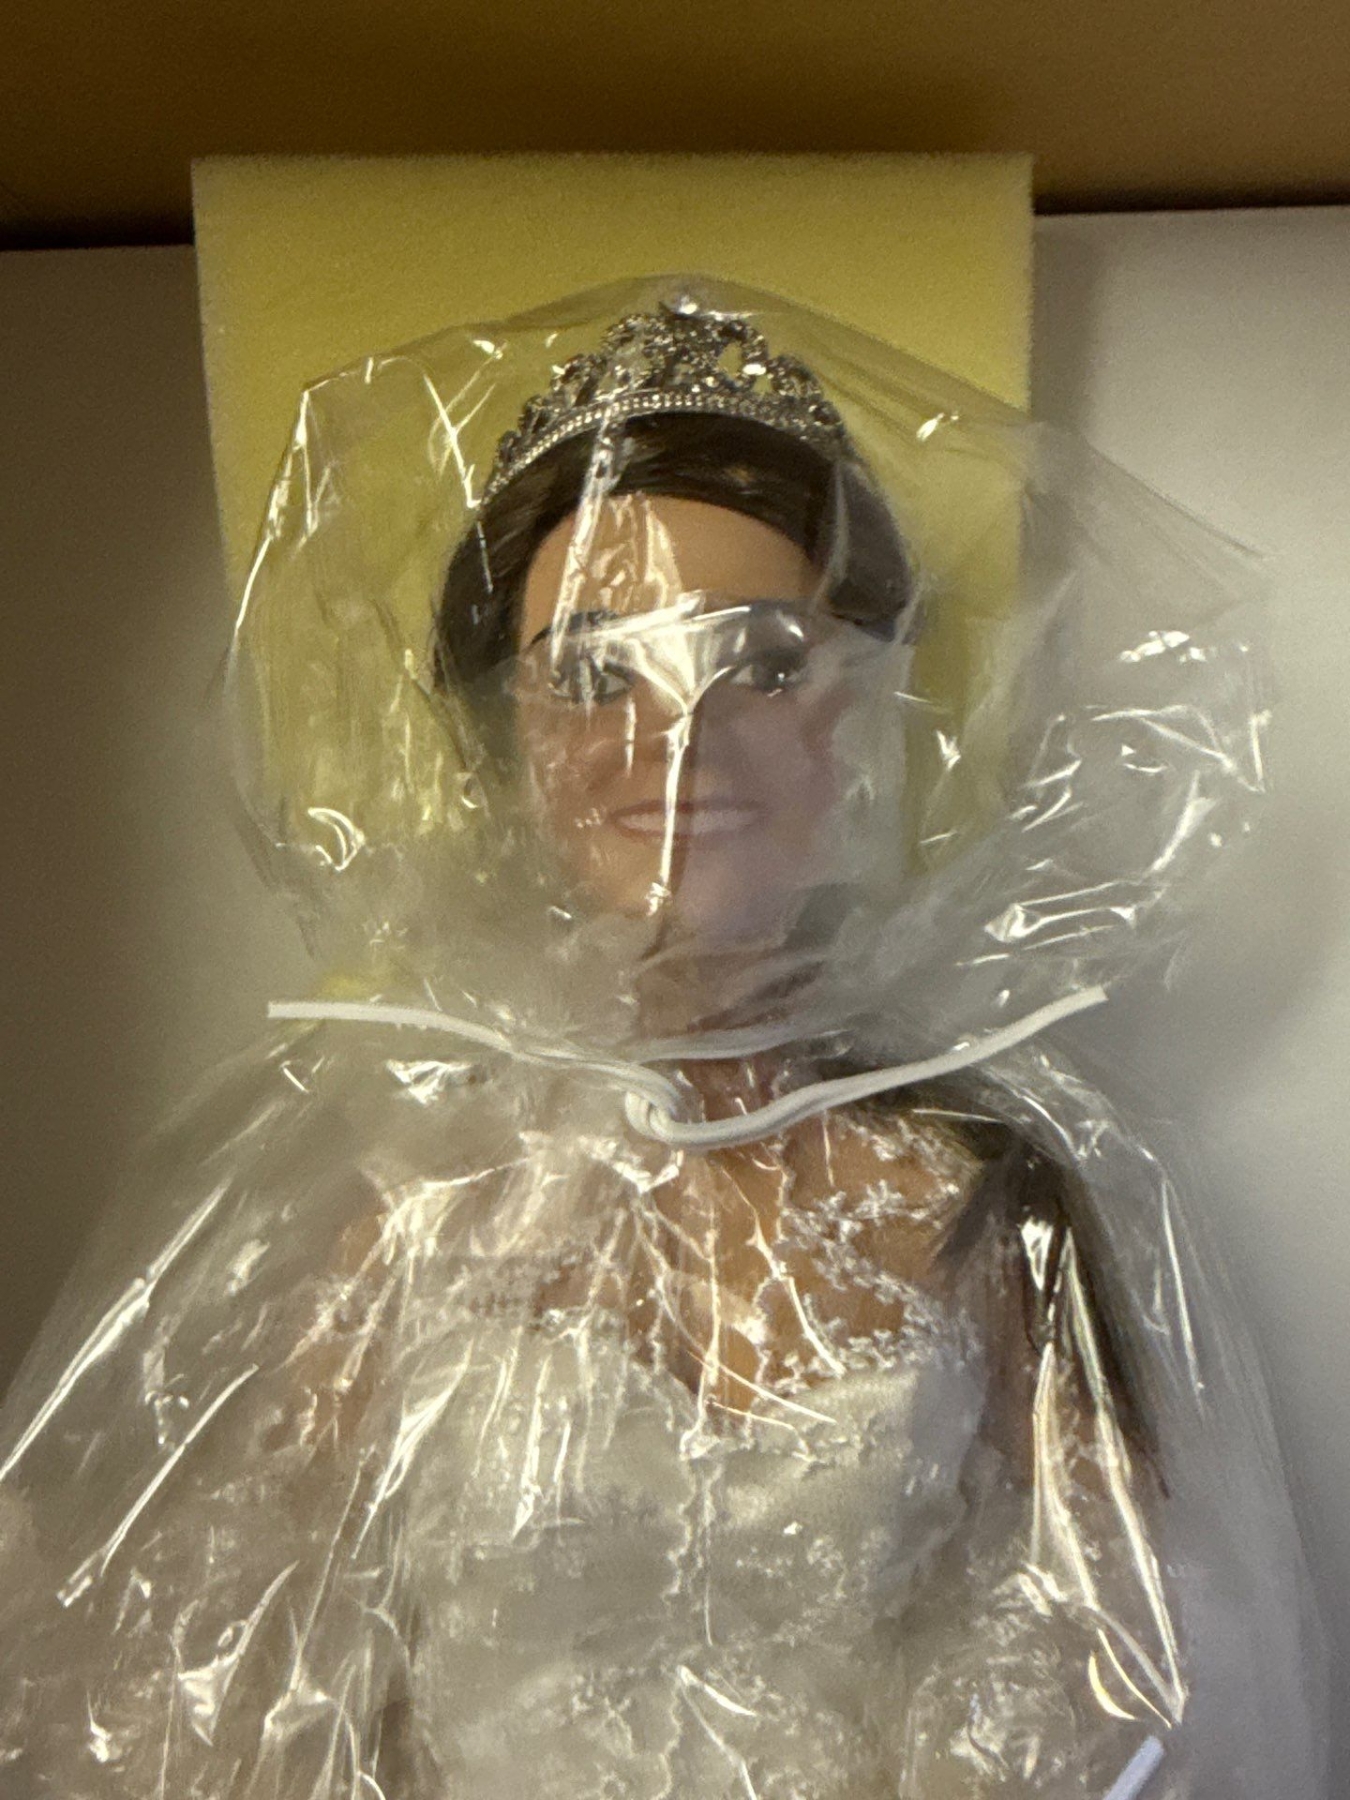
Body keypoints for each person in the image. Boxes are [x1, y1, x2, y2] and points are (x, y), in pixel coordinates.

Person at [0, 281, 1320, 1798]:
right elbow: (250, 1688)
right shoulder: (411, 1220)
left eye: (762, 663)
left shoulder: (987, 1201)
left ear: (860, 715)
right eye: (590, 674)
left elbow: (1139, 1679)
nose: (678, 739)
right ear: (504, 737)